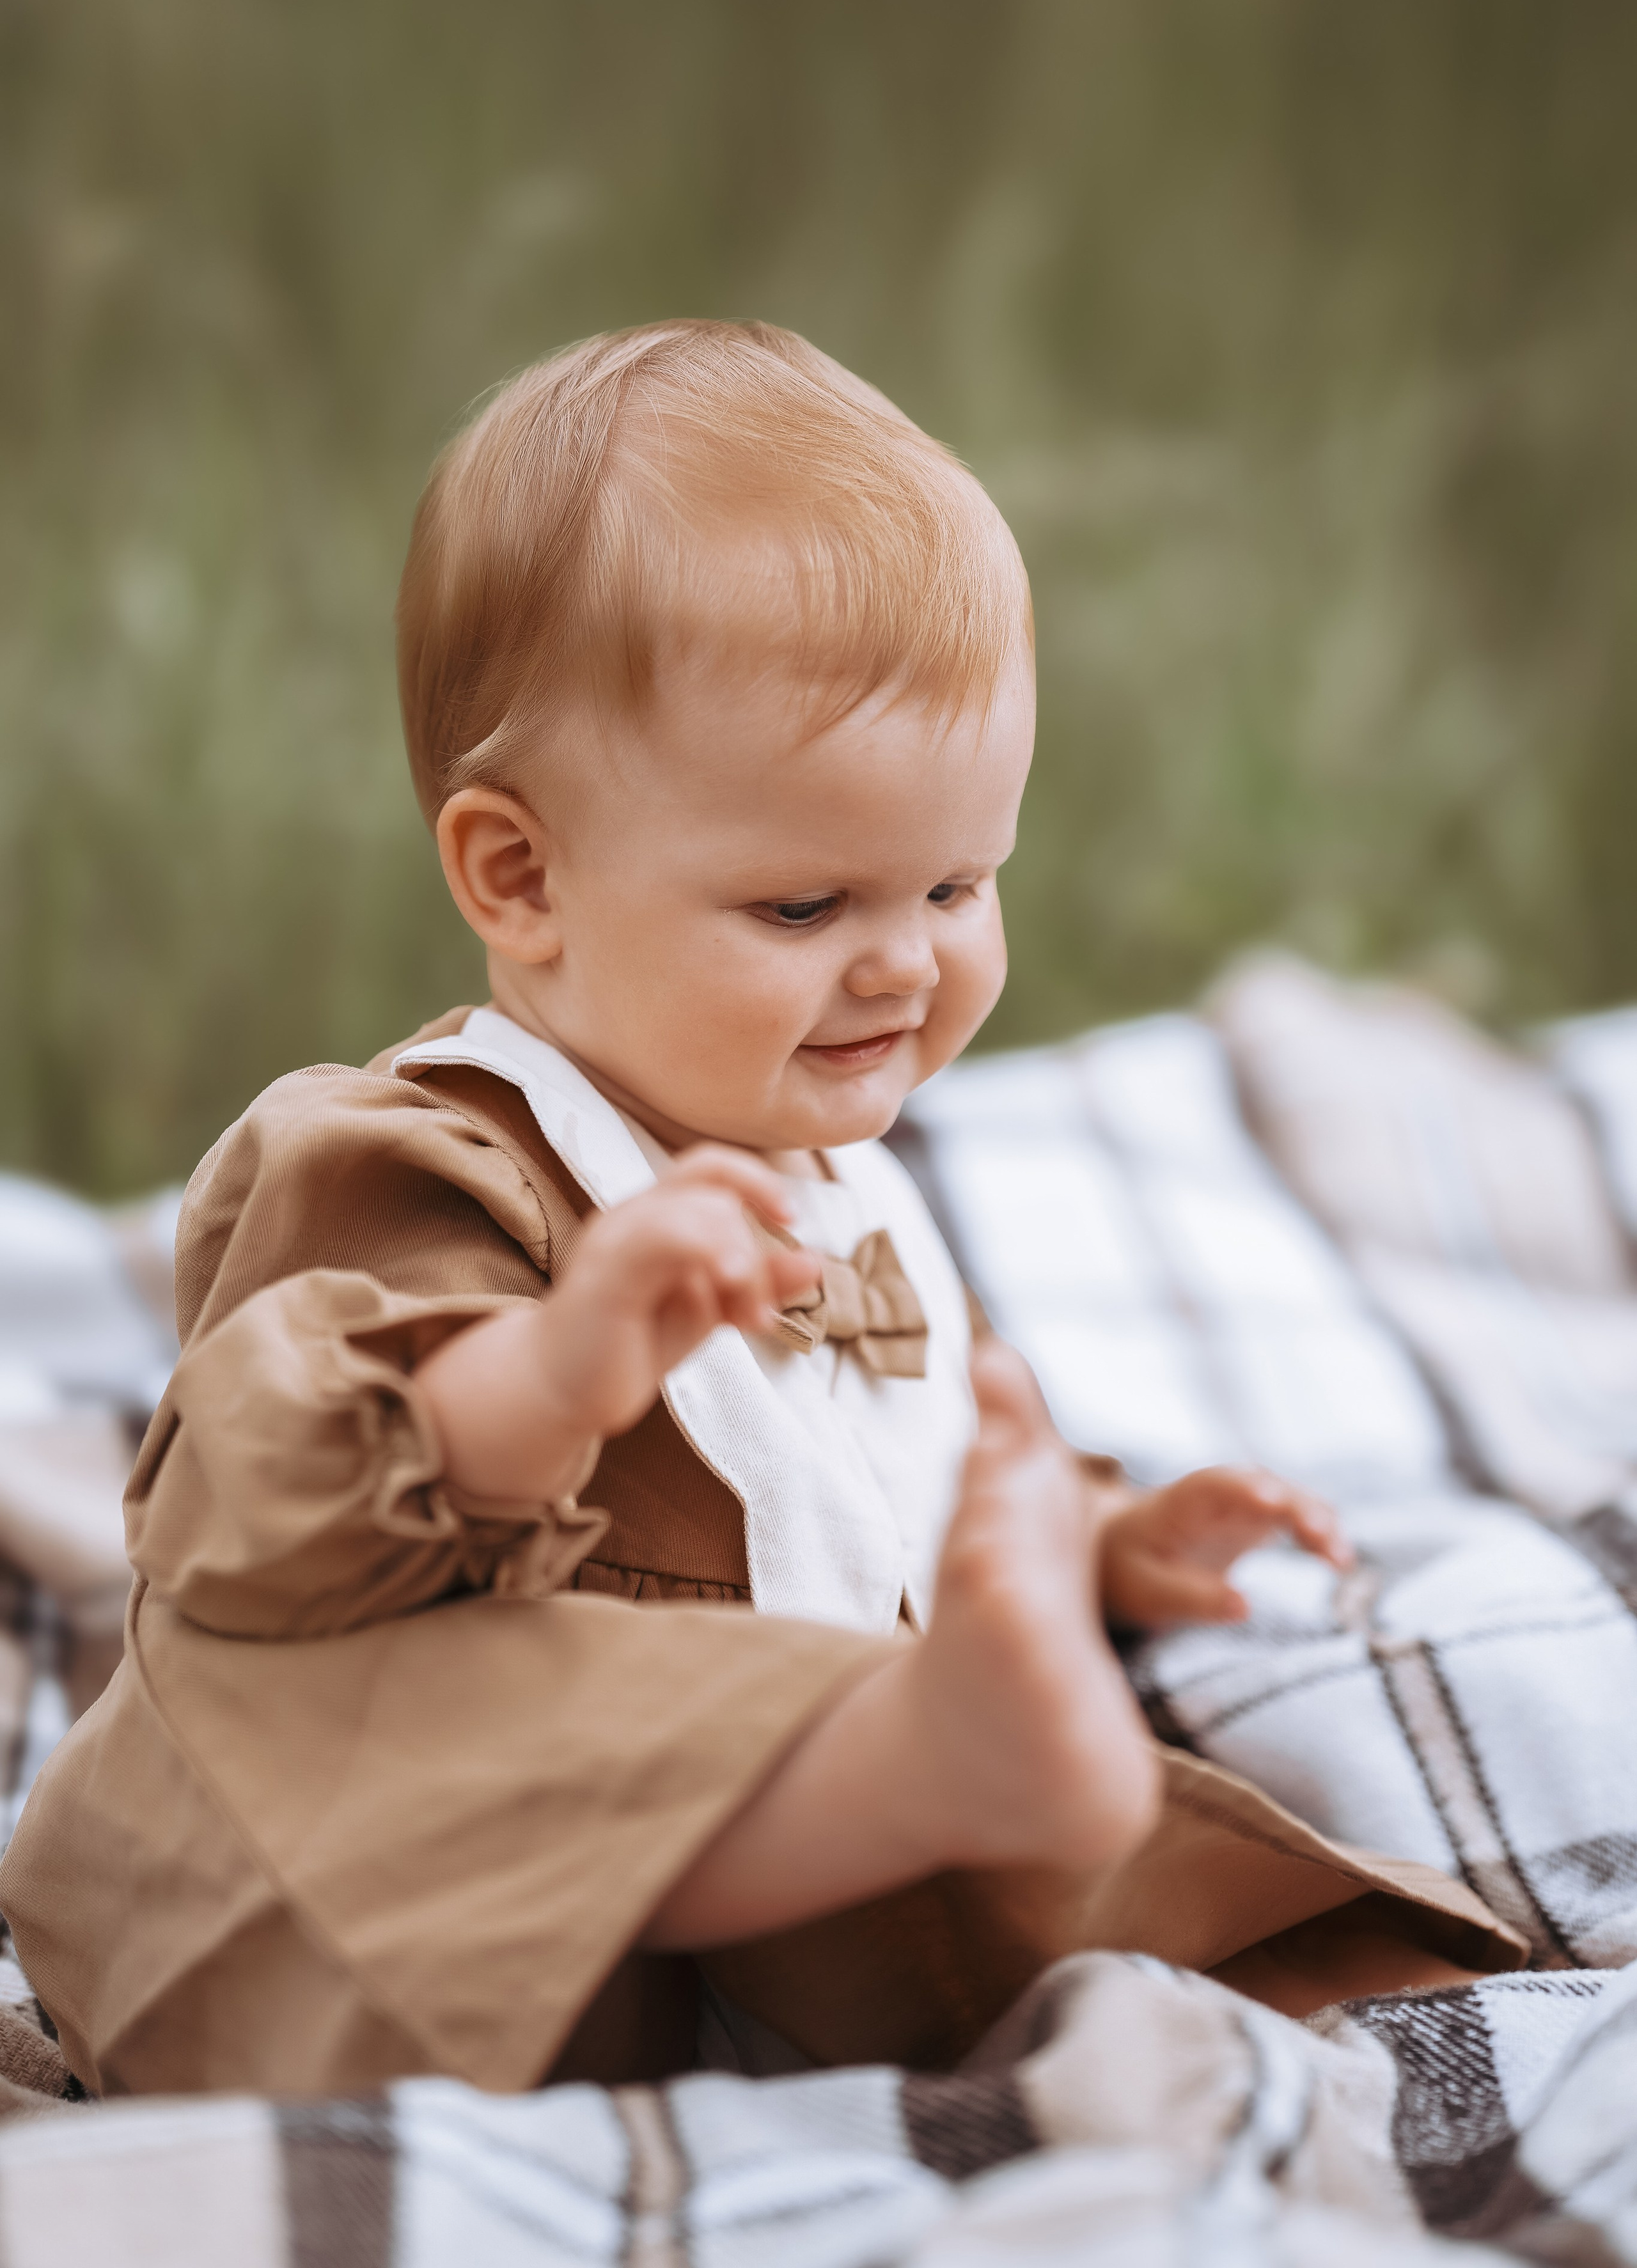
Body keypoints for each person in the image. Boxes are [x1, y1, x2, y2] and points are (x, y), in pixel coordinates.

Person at [0, 324, 1521, 2097]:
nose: (907, 959)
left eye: (960, 881)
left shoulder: (834, 1177)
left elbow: (879, 1447)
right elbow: (249, 1505)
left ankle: (947, 1768)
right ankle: (934, 1759)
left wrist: (1099, 1537)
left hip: (745, 1920)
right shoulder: (426, 1158)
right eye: (805, 905)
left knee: (1181, 1899)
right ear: (523, 875)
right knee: (536, 1710)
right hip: (351, 1911)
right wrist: (557, 1368)